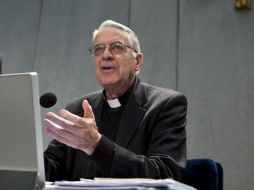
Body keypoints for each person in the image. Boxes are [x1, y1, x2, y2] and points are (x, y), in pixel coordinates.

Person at [43, 20, 187, 182]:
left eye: (117, 47)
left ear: (137, 62)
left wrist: (96, 145)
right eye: (98, 49)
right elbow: (51, 168)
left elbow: (165, 174)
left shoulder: (166, 105)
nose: (106, 55)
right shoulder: (78, 108)